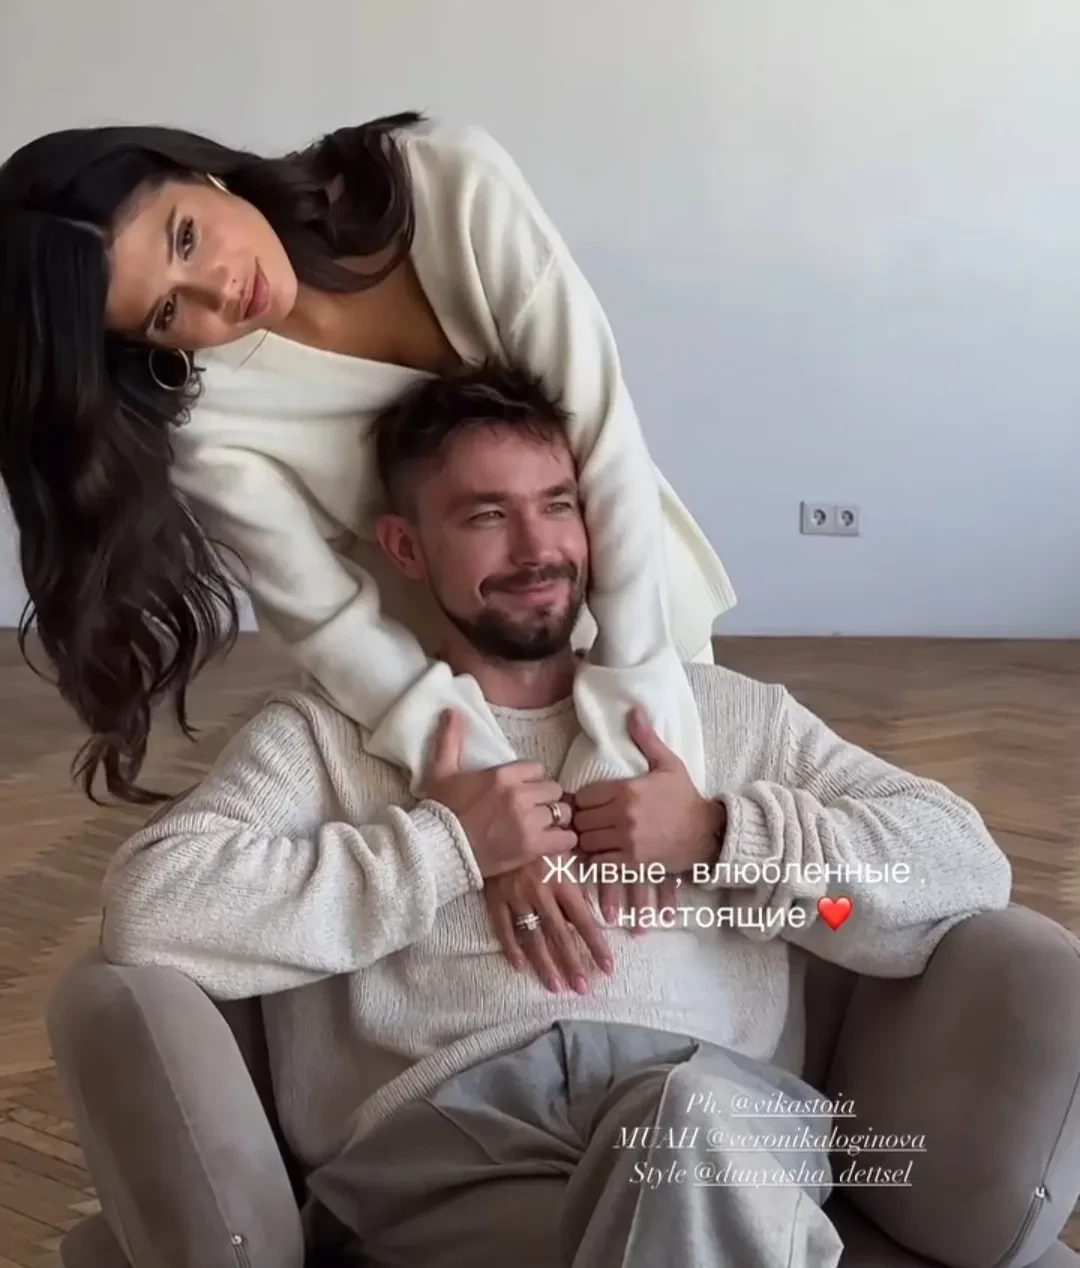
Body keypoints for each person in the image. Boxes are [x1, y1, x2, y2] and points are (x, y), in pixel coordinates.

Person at [99, 363, 1012, 1267]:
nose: (537, 548)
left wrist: (720, 835)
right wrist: (448, 846)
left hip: (716, 1116)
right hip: (458, 1150)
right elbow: (152, 907)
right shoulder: (325, 736)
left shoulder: (727, 716)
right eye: (486, 516)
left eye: (558, 504)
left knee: (692, 1131)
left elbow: (965, 863)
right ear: (406, 547)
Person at [0, 110, 735, 812]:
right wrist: (486, 785)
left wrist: (639, 702)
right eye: (166, 311)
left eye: (186, 238)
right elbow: (329, 620)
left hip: (645, 626)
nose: (218, 291)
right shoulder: (204, 425)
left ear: (197, 172)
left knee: (708, 865)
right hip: (468, 709)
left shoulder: (444, 179)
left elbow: (600, 440)